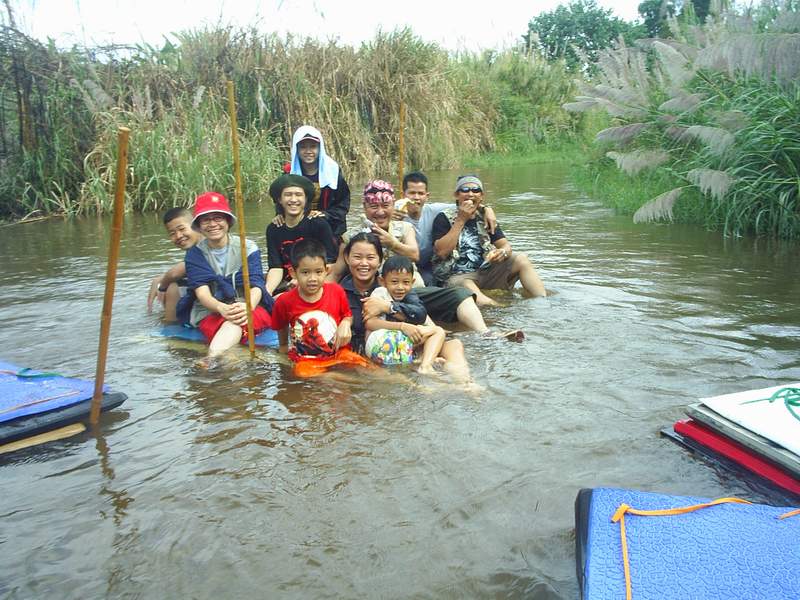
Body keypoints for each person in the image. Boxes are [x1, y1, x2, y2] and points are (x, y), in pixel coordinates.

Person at [332, 181, 489, 334]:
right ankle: (436, 332)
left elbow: (415, 254)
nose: (380, 212)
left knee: (460, 294)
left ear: (393, 205)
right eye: (374, 206)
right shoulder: (352, 237)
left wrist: (393, 243)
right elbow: (336, 273)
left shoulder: (405, 227)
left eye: (385, 206)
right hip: (376, 293)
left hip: (410, 290)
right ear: (365, 207)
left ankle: (485, 334)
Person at [340, 233, 472, 383]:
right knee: (402, 379)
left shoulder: (396, 283)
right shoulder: (339, 292)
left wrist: (388, 307)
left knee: (454, 345)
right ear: (347, 258)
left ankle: (466, 384)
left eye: (370, 258)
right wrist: (346, 321)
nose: (364, 263)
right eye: (357, 257)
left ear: (380, 260)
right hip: (371, 351)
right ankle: (427, 376)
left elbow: (419, 313)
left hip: (405, 342)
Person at [183, 192, 274, 359]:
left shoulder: (248, 247)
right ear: (199, 225)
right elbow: (202, 293)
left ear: (227, 221)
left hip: (249, 305)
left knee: (236, 322)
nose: (212, 224)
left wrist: (247, 307)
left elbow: (256, 285)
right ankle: (214, 360)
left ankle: (210, 360)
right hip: (211, 310)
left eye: (218, 218)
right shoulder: (195, 254)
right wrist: (221, 308)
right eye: (206, 220)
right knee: (232, 324)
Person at [432, 175, 547, 306]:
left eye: (476, 190)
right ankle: (497, 307)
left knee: (521, 259)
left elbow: (505, 245)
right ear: (457, 195)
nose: (470, 194)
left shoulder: (486, 217)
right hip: (456, 276)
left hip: (484, 271)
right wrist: (461, 219)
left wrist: (502, 253)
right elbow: (441, 252)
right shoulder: (443, 217)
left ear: (481, 196)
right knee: (466, 284)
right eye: (465, 190)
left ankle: (542, 302)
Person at [271, 238, 370, 376]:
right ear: (293, 273)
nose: (312, 279)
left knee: (365, 366)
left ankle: (397, 380)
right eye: (305, 272)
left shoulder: (336, 291)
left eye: (318, 272)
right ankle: (350, 382)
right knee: (304, 373)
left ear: (326, 270)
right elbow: (281, 328)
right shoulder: (284, 301)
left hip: (339, 353)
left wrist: (346, 323)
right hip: (306, 360)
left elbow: (347, 315)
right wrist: (283, 349)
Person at [395, 171, 496, 286]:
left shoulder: (434, 210)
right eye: (412, 193)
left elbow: (466, 204)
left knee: (433, 283)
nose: (416, 198)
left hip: (428, 266)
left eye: (420, 193)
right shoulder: (395, 213)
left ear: (427, 196)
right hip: (405, 264)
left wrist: (487, 209)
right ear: (403, 195)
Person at [364, 256, 447, 374]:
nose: (400, 287)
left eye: (406, 282)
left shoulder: (410, 296)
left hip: (386, 349)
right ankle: (425, 366)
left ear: (412, 282)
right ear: (382, 281)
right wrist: (402, 326)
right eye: (394, 282)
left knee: (426, 331)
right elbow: (370, 323)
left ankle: (421, 359)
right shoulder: (380, 293)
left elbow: (420, 314)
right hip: (381, 344)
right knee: (438, 331)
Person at [265, 173, 339, 296]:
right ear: (280, 200)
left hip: (315, 281)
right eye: (288, 195)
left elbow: (330, 263)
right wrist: (267, 292)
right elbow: (276, 267)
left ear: (305, 199)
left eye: (298, 195)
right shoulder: (273, 229)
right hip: (286, 283)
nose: (293, 200)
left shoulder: (318, 224)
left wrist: (301, 281)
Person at [284, 125, 350, 240]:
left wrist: (325, 215)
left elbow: (343, 203)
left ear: (320, 148)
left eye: (313, 146)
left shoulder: (333, 171)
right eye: (303, 147)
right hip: (298, 228)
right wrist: (280, 215)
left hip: (330, 228)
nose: (308, 151)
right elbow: (281, 200)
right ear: (296, 149)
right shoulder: (289, 173)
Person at [147, 207, 203, 321]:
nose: (178, 236)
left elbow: (176, 272)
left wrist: (163, 285)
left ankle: (170, 325)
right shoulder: (194, 249)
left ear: (196, 226)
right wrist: (161, 279)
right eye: (172, 233)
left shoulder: (208, 243)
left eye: (182, 229)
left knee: (172, 288)